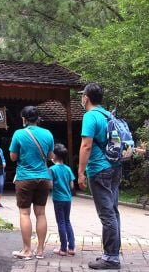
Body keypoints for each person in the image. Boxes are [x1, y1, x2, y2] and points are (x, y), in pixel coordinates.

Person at [77, 82, 122, 270]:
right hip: (115, 166)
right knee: (113, 210)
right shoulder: (108, 115)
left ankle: (111, 258)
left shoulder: (90, 116)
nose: (81, 98)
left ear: (86, 98)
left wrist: (80, 171)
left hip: (99, 169)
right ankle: (111, 253)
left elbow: (86, 145)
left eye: (82, 95)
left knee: (106, 214)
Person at [9, 106, 54, 260]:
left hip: (25, 177)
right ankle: (40, 251)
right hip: (43, 177)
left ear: (24, 119)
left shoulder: (19, 134)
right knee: (41, 213)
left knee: (24, 213)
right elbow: (50, 156)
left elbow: (13, 157)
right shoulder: (47, 134)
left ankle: (27, 250)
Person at [50, 143, 76, 257]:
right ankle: (71, 247)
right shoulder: (68, 169)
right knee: (67, 221)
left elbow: (50, 186)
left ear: (54, 155)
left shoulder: (51, 169)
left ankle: (63, 248)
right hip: (68, 199)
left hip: (58, 199)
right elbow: (71, 186)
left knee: (60, 222)